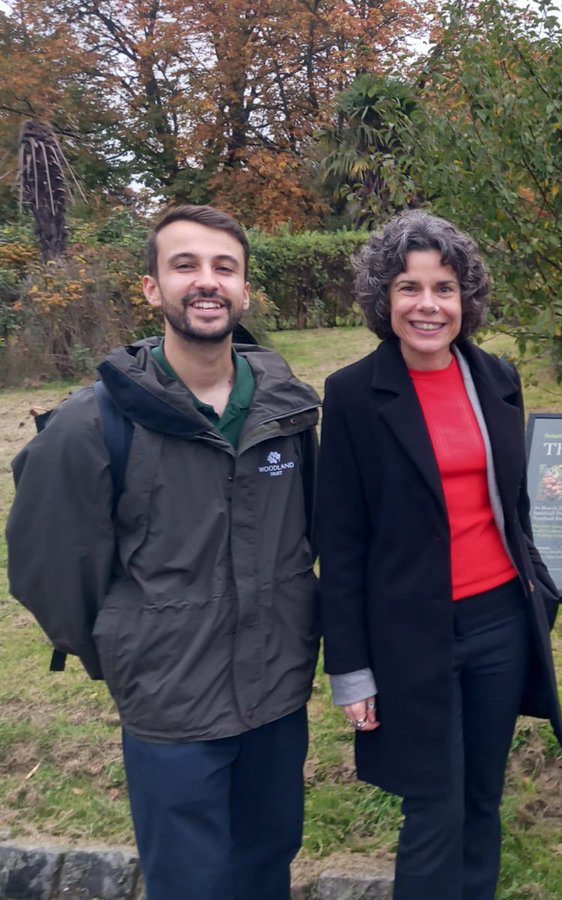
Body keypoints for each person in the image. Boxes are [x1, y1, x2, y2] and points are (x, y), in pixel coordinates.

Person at [7, 205, 320, 899]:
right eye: (185, 266)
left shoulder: (288, 413)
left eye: (223, 268)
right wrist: (127, 647)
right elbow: (49, 570)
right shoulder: (91, 427)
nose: (205, 282)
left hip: (275, 700)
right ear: (151, 288)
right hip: (172, 713)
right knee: (190, 884)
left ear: (244, 291)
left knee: (267, 868)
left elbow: (310, 535)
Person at [315, 209, 562, 899]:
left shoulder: (496, 377)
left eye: (445, 287)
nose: (428, 304)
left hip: (500, 627)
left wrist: (537, 589)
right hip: (410, 637)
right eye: (408, 287)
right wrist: (351, 670)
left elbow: (511, 504)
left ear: (467, 299)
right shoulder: (351, 397)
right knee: (433, 806)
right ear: (383, 298)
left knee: (482, 802)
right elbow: (338, 543)